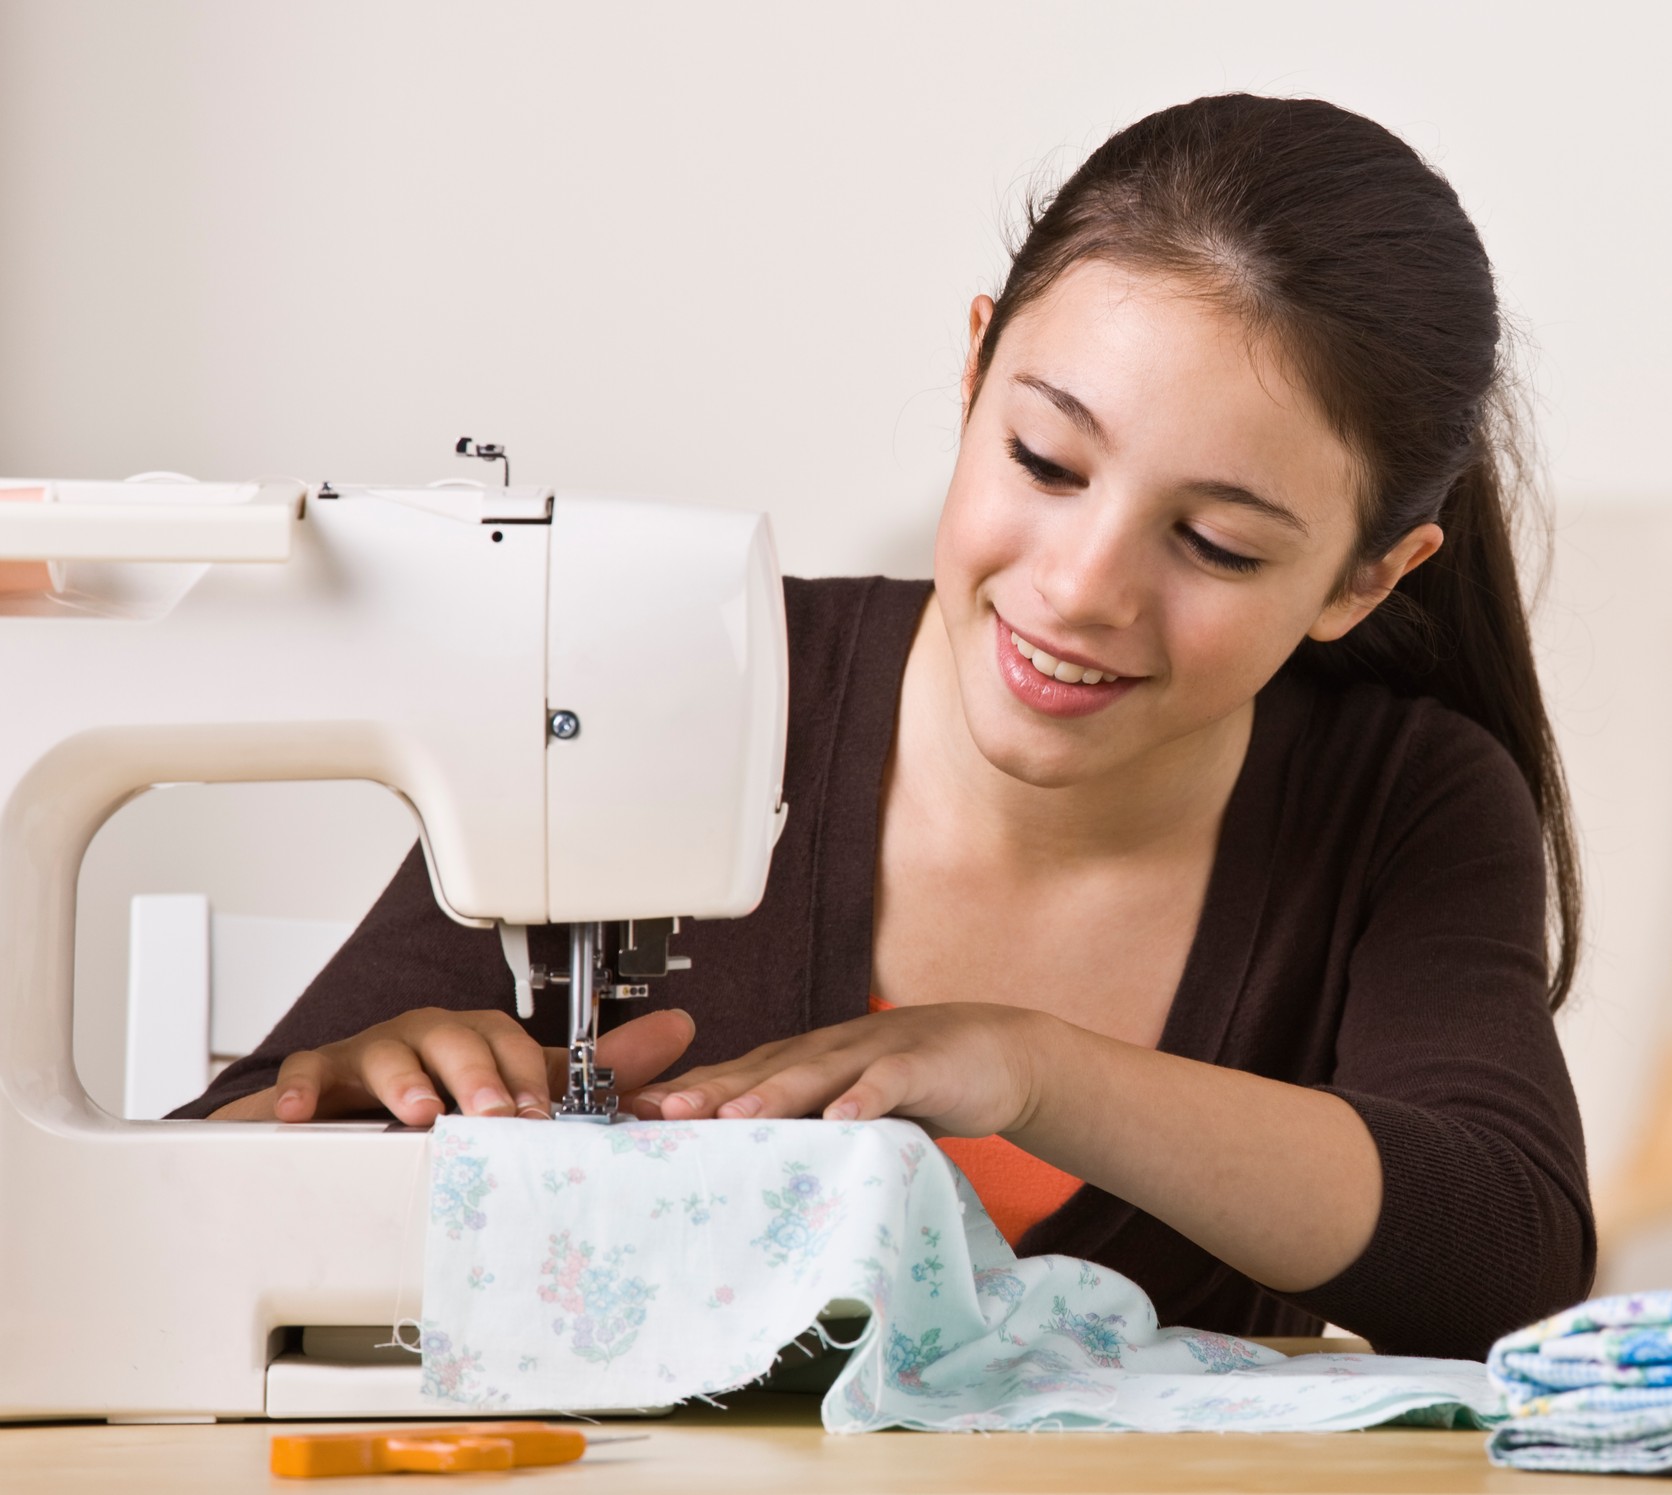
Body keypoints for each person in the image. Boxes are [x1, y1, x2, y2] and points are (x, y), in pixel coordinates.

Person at [179, 94, 1594, 1360]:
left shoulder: (1402, 800)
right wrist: (352, 1100)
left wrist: (1030, 1067)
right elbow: (187, 1200)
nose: (1081, 587)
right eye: (1046, 461)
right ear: (976, 375)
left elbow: (1505, 1255)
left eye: (1217, 544)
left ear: (1365, 577)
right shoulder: (683, 685)